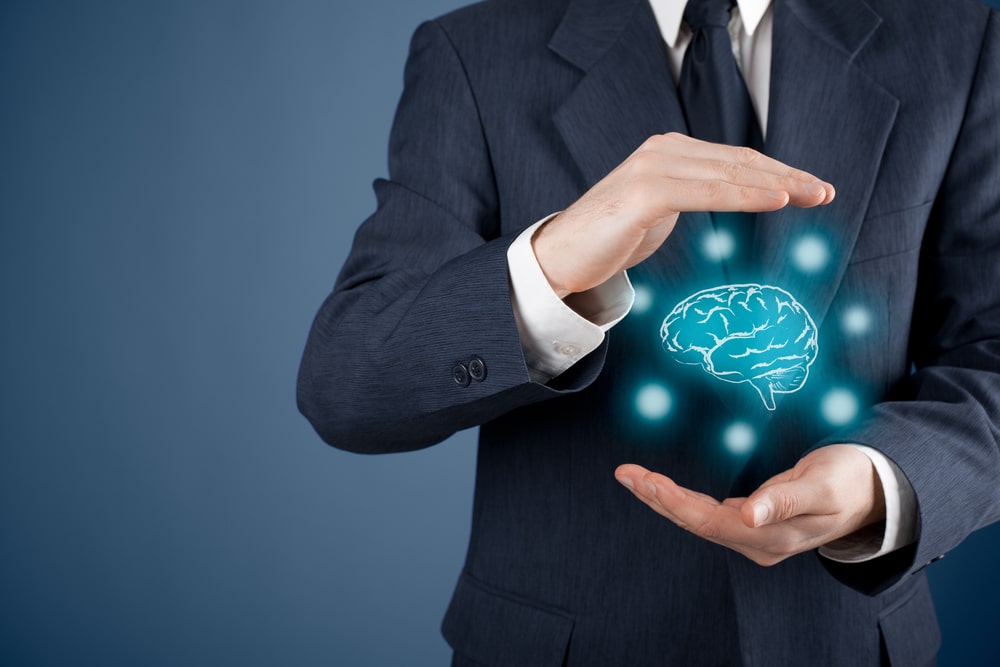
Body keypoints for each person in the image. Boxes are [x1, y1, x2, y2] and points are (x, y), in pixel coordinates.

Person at [297, 0, 1000, 663]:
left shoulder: (953, 41)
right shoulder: (477, 55)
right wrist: (548, 266)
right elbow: (347, 379)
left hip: (843, 641)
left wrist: (883, 483)